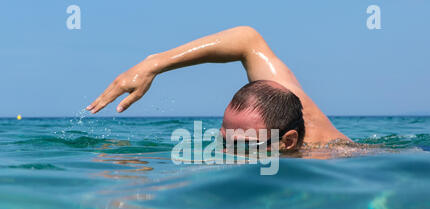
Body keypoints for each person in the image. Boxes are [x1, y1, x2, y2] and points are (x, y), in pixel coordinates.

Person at [87, 26, 351, 153]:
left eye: (242, 146)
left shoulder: (330, 159)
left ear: (288, 142)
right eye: (223, 141)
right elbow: (248, 40)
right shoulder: (279, 97)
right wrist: (153, 64)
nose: (225, 154)